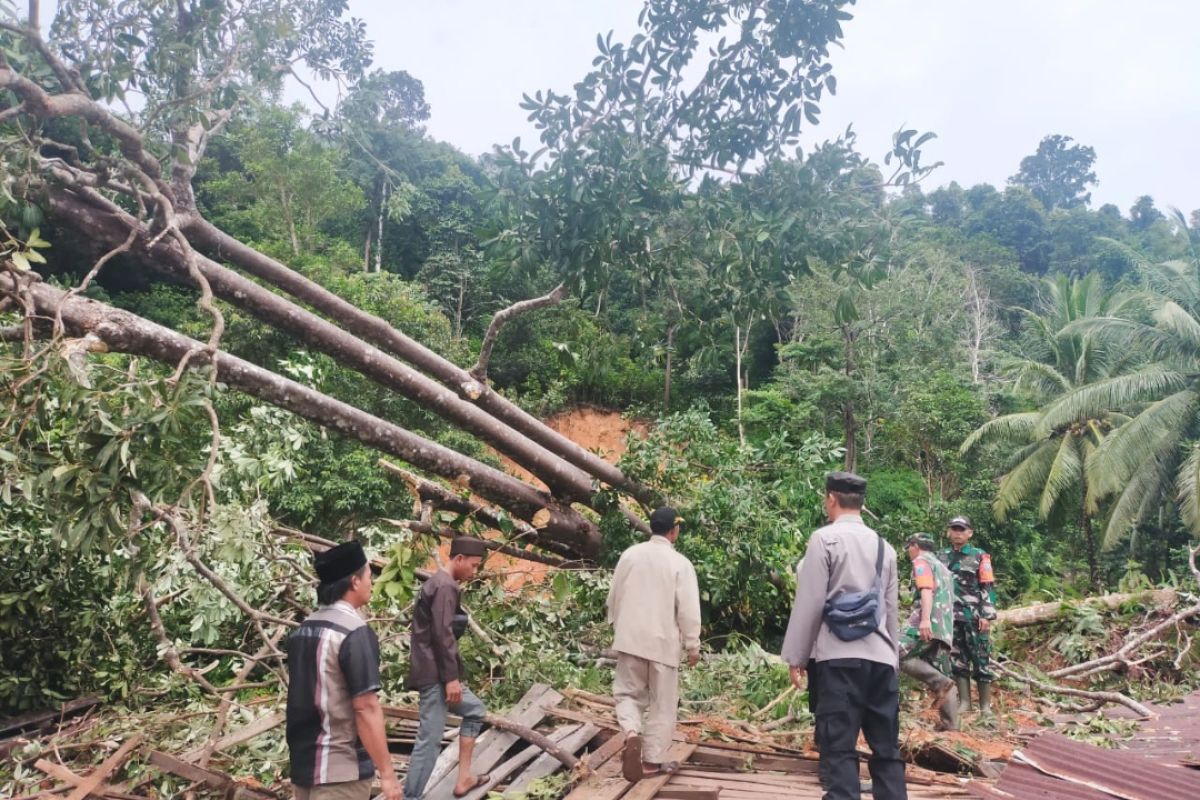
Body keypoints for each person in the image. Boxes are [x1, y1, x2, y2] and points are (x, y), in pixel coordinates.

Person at [781, 472, 907, 800]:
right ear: (861, 503)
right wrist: (892, 660)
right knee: (886, 749)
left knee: (839, 747)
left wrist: (797, 657)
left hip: (839, 659)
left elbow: (809, 604)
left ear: (832, 499)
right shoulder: (886, 548)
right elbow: (890, 611)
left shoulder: (824, 540)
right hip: (881, 660)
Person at [286, 541, 401, 800]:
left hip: (304, 768)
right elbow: (365, 707)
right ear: (355, 581)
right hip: (340, 772)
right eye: (370, 575)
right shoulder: (354, 632)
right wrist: (388, 773)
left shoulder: (304, 629)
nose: (372, 582)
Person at [607, 506, 702, 783]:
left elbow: (614, 594)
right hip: (663, 645)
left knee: (627, 695)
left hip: (630, 639)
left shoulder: (630, 555)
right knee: (662, 704)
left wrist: (618, 626)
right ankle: (651, 762)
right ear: (674, 531)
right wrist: (692, 646)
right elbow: (688, 610)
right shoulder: (680, 564)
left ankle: (631, 733)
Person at [404, 537, 490, 800]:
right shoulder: (444, 586)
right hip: (437, 676)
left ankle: (463, 778)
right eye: (473, 566)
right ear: (459, 559)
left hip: (435, 672)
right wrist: (451, 679)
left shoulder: (438, 583)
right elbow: (443, 635)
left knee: (475, 711)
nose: (474, 572)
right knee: (429, 740)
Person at [937, 515, 997, 716]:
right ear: (948, 532)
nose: (957, 533)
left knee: (981, 658)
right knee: (957, 660)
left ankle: (985, 706)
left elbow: (987, 586)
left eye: (961, 529)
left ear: (969, 533)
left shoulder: (980, 556)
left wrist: (986, 616)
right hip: (951, 617)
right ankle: (965, 703)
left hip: (974, 616)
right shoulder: (941, 556)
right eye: (954, 529)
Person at [898, 533, 958, 731]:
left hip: (927, 623)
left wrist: (924, 620)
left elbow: (925, 590)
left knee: (896, 653)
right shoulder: (942, 566)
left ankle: (939, 683)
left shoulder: (921, 561)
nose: (908, 551)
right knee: (940, 669)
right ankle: (950, 727)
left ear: (915, 546)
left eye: (909, 547)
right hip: (944, 626)